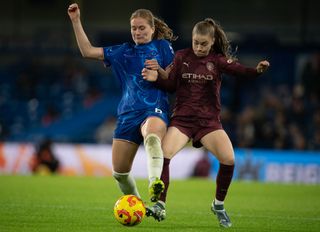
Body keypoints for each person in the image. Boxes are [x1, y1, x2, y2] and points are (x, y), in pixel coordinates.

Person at [143, 18, 269, 227]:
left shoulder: (217, 61)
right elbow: (171, 85)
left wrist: (256, 71)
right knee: (164, 155)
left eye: (203, 43)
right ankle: (160, 206)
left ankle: (218, 205)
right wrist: (156, 77)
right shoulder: (182, 56)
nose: (199, 47)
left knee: (228, 159)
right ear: (192, 40)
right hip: (182, 120)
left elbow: (240, 71)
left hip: (208, 122)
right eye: (196, 42)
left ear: (212, 42)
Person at [67, 3, 176, 202]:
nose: (137, 32)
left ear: (152, 28)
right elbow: (87, 51)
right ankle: (139, 206)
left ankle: (154, 183)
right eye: (134, 28)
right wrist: (76, 21)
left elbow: (174, 80)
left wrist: (159, 72)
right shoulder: (122, 52)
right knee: (120, 173)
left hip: (154, 108)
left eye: (142, 28)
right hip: (128, 114)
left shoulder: (163, 47)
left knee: (152, 138)